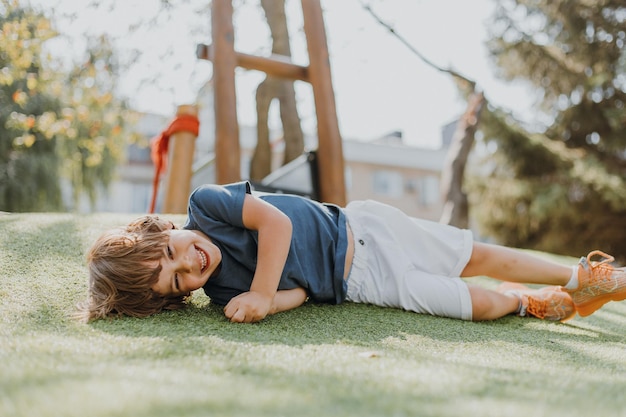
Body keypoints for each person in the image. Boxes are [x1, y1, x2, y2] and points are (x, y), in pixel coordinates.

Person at [78, 181, 626, 324]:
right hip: (361, 285)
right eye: (176, 283)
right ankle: (532, 303)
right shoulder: (223, 290)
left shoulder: (208, 207)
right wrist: (271, 302)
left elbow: (273, 223)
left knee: (474, 256)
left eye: (170, 253)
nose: (187, 265)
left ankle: (582, 277)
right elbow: (297, 292)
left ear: (163, 228)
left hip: (364, 231)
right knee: (475, 303)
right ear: (178, 299)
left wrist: (262, 292)